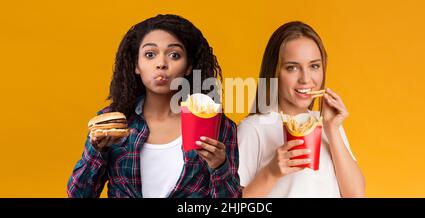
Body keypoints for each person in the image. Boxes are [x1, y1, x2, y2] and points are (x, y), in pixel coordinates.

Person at [67, 14, 241, 198]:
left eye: (174, 55)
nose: (161, 64)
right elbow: (78, 194)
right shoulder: (113, 123)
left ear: (189, 66)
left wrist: (219, 167)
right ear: (136, 65)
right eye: (150, 55)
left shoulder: (218, 126)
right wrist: (96, 152)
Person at [238, 21, 365, 197]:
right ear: (274, 72)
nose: (305, 79)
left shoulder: (329, 125)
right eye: (292, 68)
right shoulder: (253, 128)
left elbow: (356, 195)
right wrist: (271, 173)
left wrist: (332, 129)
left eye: (314, 66)